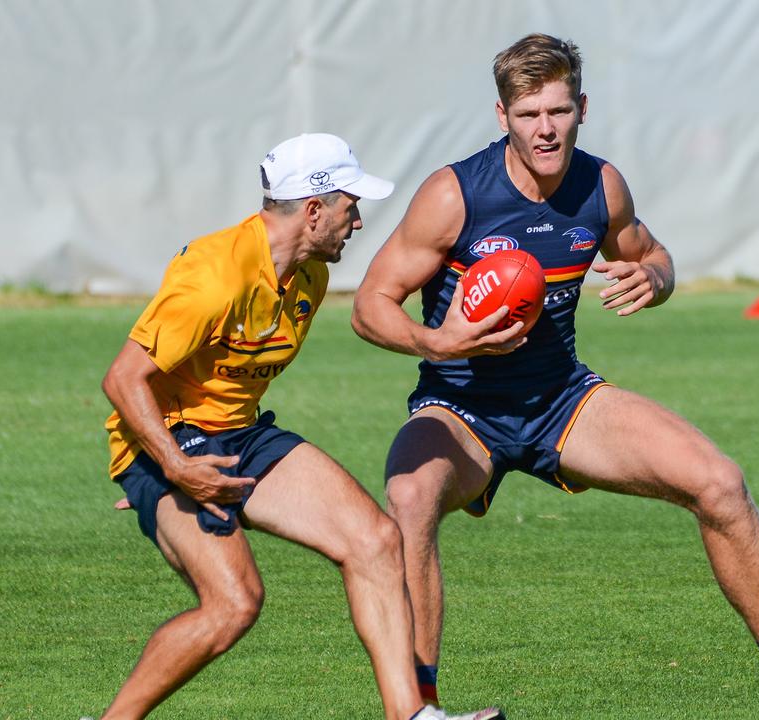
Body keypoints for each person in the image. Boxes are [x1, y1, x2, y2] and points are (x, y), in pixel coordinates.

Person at [351, 34, 759, 720]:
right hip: (460, 408)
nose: (546, 129)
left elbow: (653, 253)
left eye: (560, 111)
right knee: (409, 501)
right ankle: (419, 711)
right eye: (529, 113)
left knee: (719, 482)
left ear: (583, 108)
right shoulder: (455, 195)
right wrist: (437, 339)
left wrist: (653, 277)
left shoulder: (600, 187)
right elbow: (369, 305)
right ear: (502, 116)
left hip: (562, 401)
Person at [91, 133, 503, 720]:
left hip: (238, 435)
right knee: (233, 604)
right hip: (168, 439)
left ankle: (411, 716)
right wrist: (166, 471)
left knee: (377, 541)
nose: (357, 222)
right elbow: (123, 379)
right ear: (314, 210)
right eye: (350, 206)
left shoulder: (306, 276)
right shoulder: (214, 275)